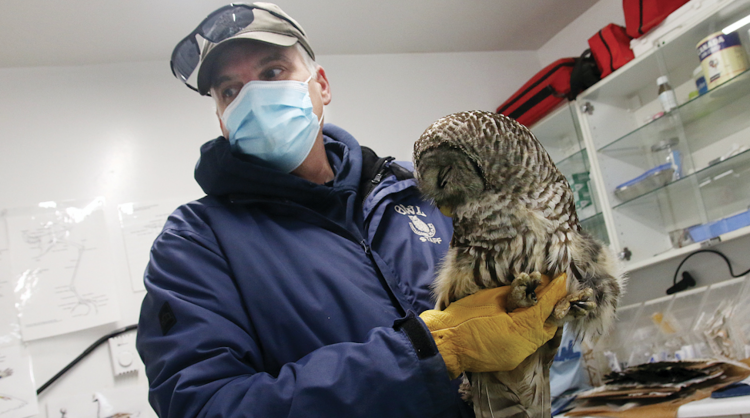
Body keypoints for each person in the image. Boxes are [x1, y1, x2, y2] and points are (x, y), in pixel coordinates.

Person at [135, 3, 568, 417]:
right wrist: (431, 351)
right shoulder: (195, 242)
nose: (255, 98)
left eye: (272, 71)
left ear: (321, 85)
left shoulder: (418, 187)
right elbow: (203, 406)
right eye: (231, 91)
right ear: (222, 119)